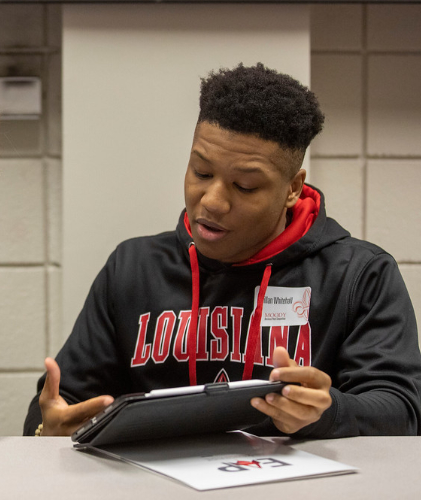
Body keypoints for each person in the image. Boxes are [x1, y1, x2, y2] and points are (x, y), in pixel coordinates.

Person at [24, 63, 421, 438]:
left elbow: (401, 412)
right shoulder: (133, 267)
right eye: (201, 172)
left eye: (245, 186)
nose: (212, 201)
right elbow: (62, 406)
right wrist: (49, 430)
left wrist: (328, 412)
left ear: (293, 188)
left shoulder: (360, 274)